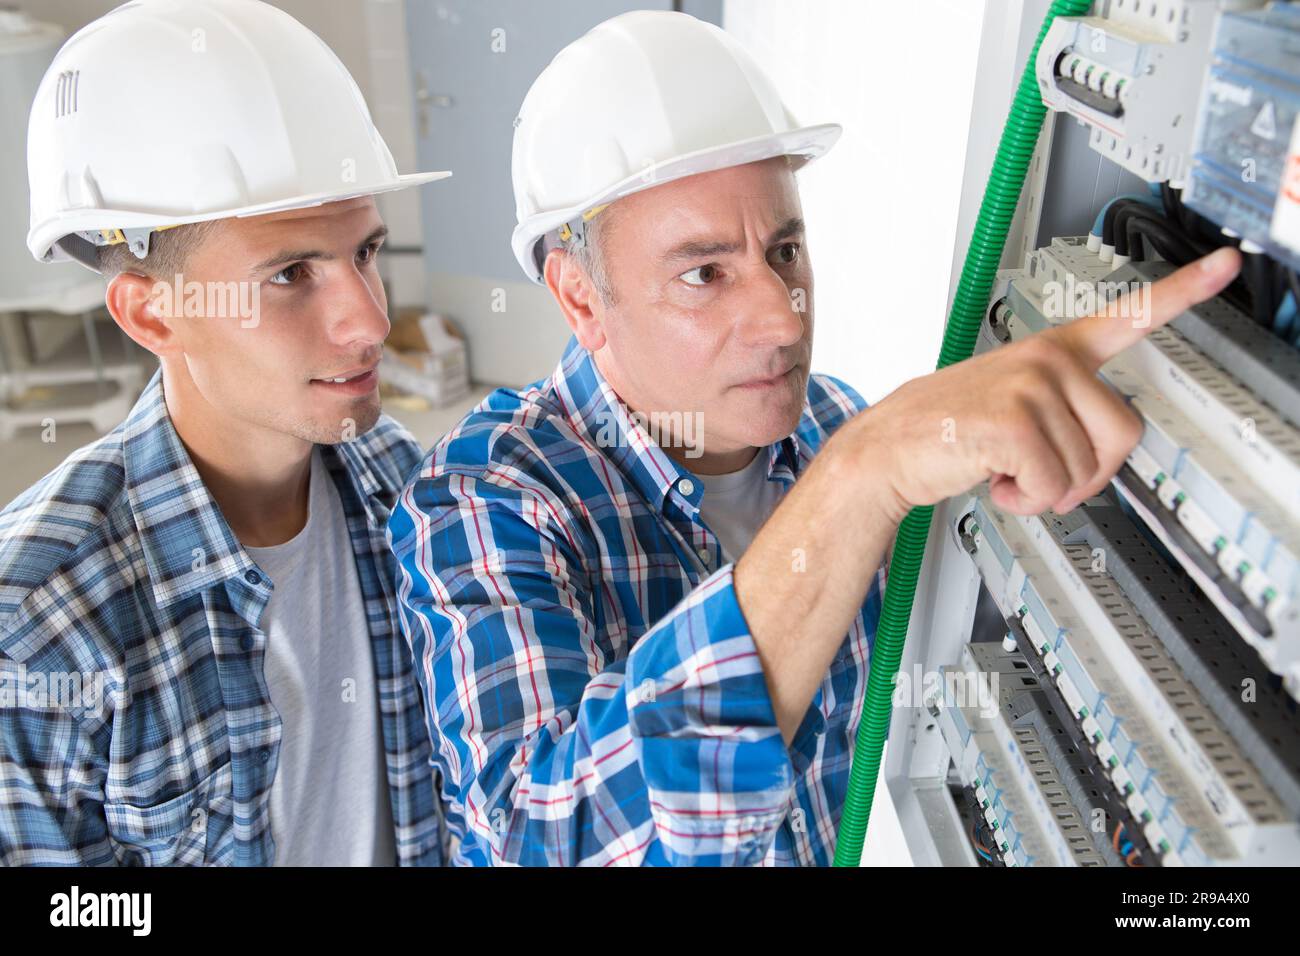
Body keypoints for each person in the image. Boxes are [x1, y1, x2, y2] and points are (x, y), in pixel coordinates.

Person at [387, 10, 1242, 866]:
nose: (780, 318)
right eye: (703, 273)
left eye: (786, 250)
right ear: (580, 299)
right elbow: (544, 838)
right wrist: (855, 484)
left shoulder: (837, 422)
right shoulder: (483, 498)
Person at [0, 0, 451, 866]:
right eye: (290, 274)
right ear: (150, 313)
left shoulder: (411, 491)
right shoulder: (39, 624)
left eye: (366, 253)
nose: (367, 320)